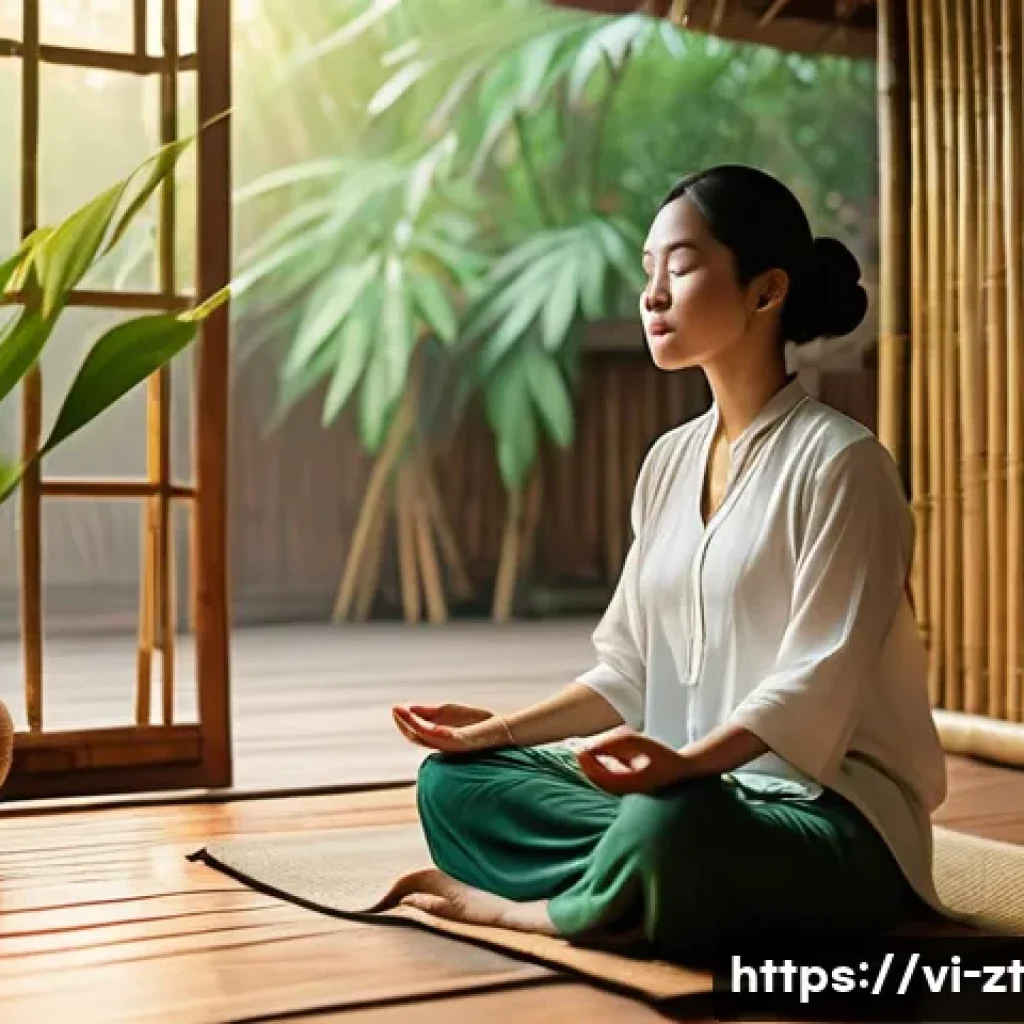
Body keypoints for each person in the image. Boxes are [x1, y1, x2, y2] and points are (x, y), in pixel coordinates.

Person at [385, 165, 948, 964]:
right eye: (648, 271)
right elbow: (627, 672)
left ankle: (544, 912)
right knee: (455, 783)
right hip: (686, 794)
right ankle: (634, 892)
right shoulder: (668, 462)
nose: (652, 295)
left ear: (766, 291)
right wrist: (492, 732)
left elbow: (813, 685)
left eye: (679, 269)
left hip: (825, 819)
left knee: (671, 826)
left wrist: (684, 767)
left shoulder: (844, 465)